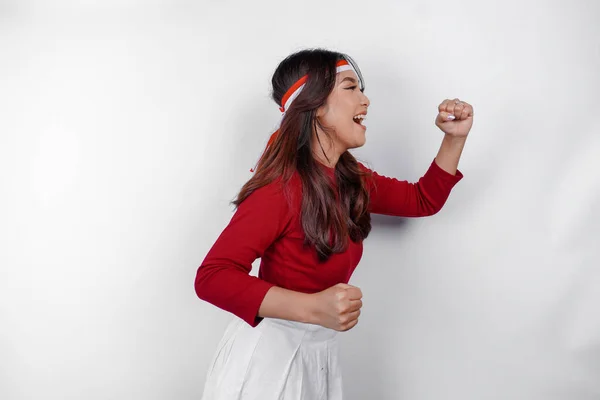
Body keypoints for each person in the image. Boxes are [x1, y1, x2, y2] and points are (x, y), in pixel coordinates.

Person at [195, 48, 473, 399]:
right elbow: (212, 276)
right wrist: (313, 307)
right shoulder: (280, 189)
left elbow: (423, 200)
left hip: (318, 355)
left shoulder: (350, 177)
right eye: (350, 87)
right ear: (316, 105)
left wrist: (454, 137)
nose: (366, 100)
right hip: (267, 365)